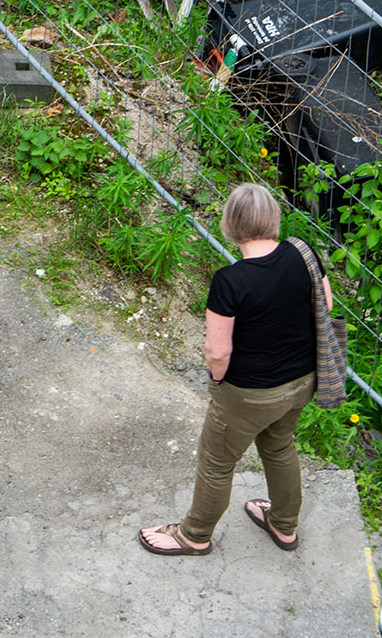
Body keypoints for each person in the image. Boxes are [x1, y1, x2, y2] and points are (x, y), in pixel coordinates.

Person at [138, 183, 322, 556]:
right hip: (301, 381)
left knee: (218, 463)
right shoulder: (304, 254)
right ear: (274, 217)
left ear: (230, 226)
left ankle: (194, 535)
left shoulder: (230, 281)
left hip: (249, 393)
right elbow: (326, 304)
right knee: (279, 445)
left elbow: (217, 351)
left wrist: (218, 383)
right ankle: (284, 526)